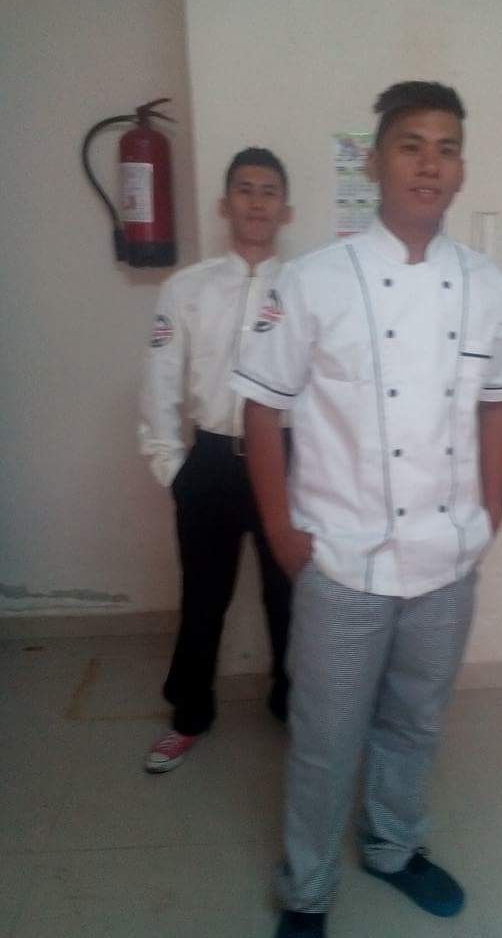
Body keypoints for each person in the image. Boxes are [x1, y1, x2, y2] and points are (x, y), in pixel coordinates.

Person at [235, 82, 502, 938]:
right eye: (410, 145)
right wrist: (282, 533)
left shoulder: (489, 287)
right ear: (374, 161)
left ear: (461, 169)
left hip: (447, 559)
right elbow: (260, 411)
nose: (429, 164)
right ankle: (308, 891)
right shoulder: (312, 281)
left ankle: (394, 849)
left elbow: (496, 409)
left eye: (446, 148)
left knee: (415, 722)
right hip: (342, 560)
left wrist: (488, 518)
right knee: (324, 740)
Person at [139, 147, 294, 774]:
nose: (257, 202)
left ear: (286, 209)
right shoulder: (186, 289)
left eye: (269, 191)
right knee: (204, 598)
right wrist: (174, 470)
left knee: (291, 596)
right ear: (225, 204)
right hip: (209, 462)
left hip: (286, 461)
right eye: (245, 190)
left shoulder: (308, 288)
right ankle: (189, 715)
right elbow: (159, 382)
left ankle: (294, 705)